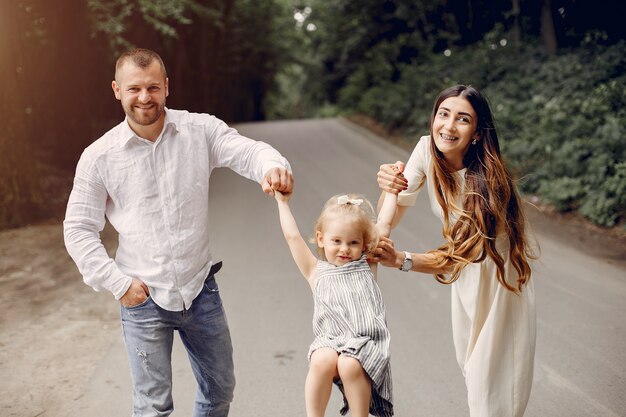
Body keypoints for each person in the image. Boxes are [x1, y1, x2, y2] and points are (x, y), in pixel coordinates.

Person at [63, 48, 293, 417]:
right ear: (116, 90)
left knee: (220, 392)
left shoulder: (199, 131)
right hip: (142, 298)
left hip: (200, 288)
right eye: (134, 88)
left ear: (166, 87)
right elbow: (78, 229)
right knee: (153, 408)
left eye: (153, 87)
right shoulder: (99, 156)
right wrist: (118, 283)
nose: (144, 97)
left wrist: (272, 167)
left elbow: (247, 151)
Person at [374, 85, 537, 417]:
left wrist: (401, 260)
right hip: (465, 283)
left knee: (490, 394)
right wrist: (389, 189)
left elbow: (460, 256)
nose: (448, 127)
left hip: (498, 284)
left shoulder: (490, 184)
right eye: (443, 114)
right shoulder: (425, 150)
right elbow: (391, 214)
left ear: (476, 132)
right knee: (473, 379)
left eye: (462, 119)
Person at [273, 190, 398, 417]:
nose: (344, 249)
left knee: (350, 364)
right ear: (321, 239)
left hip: (365, 342)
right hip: (330, 340)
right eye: (337, 241)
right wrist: (282, 202)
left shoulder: (366, 264)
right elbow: (293, 237)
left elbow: (385, 222)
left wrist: (391, 192)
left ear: (364, 244)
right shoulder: (315, 271)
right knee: (322, 359)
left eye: (353, 242)